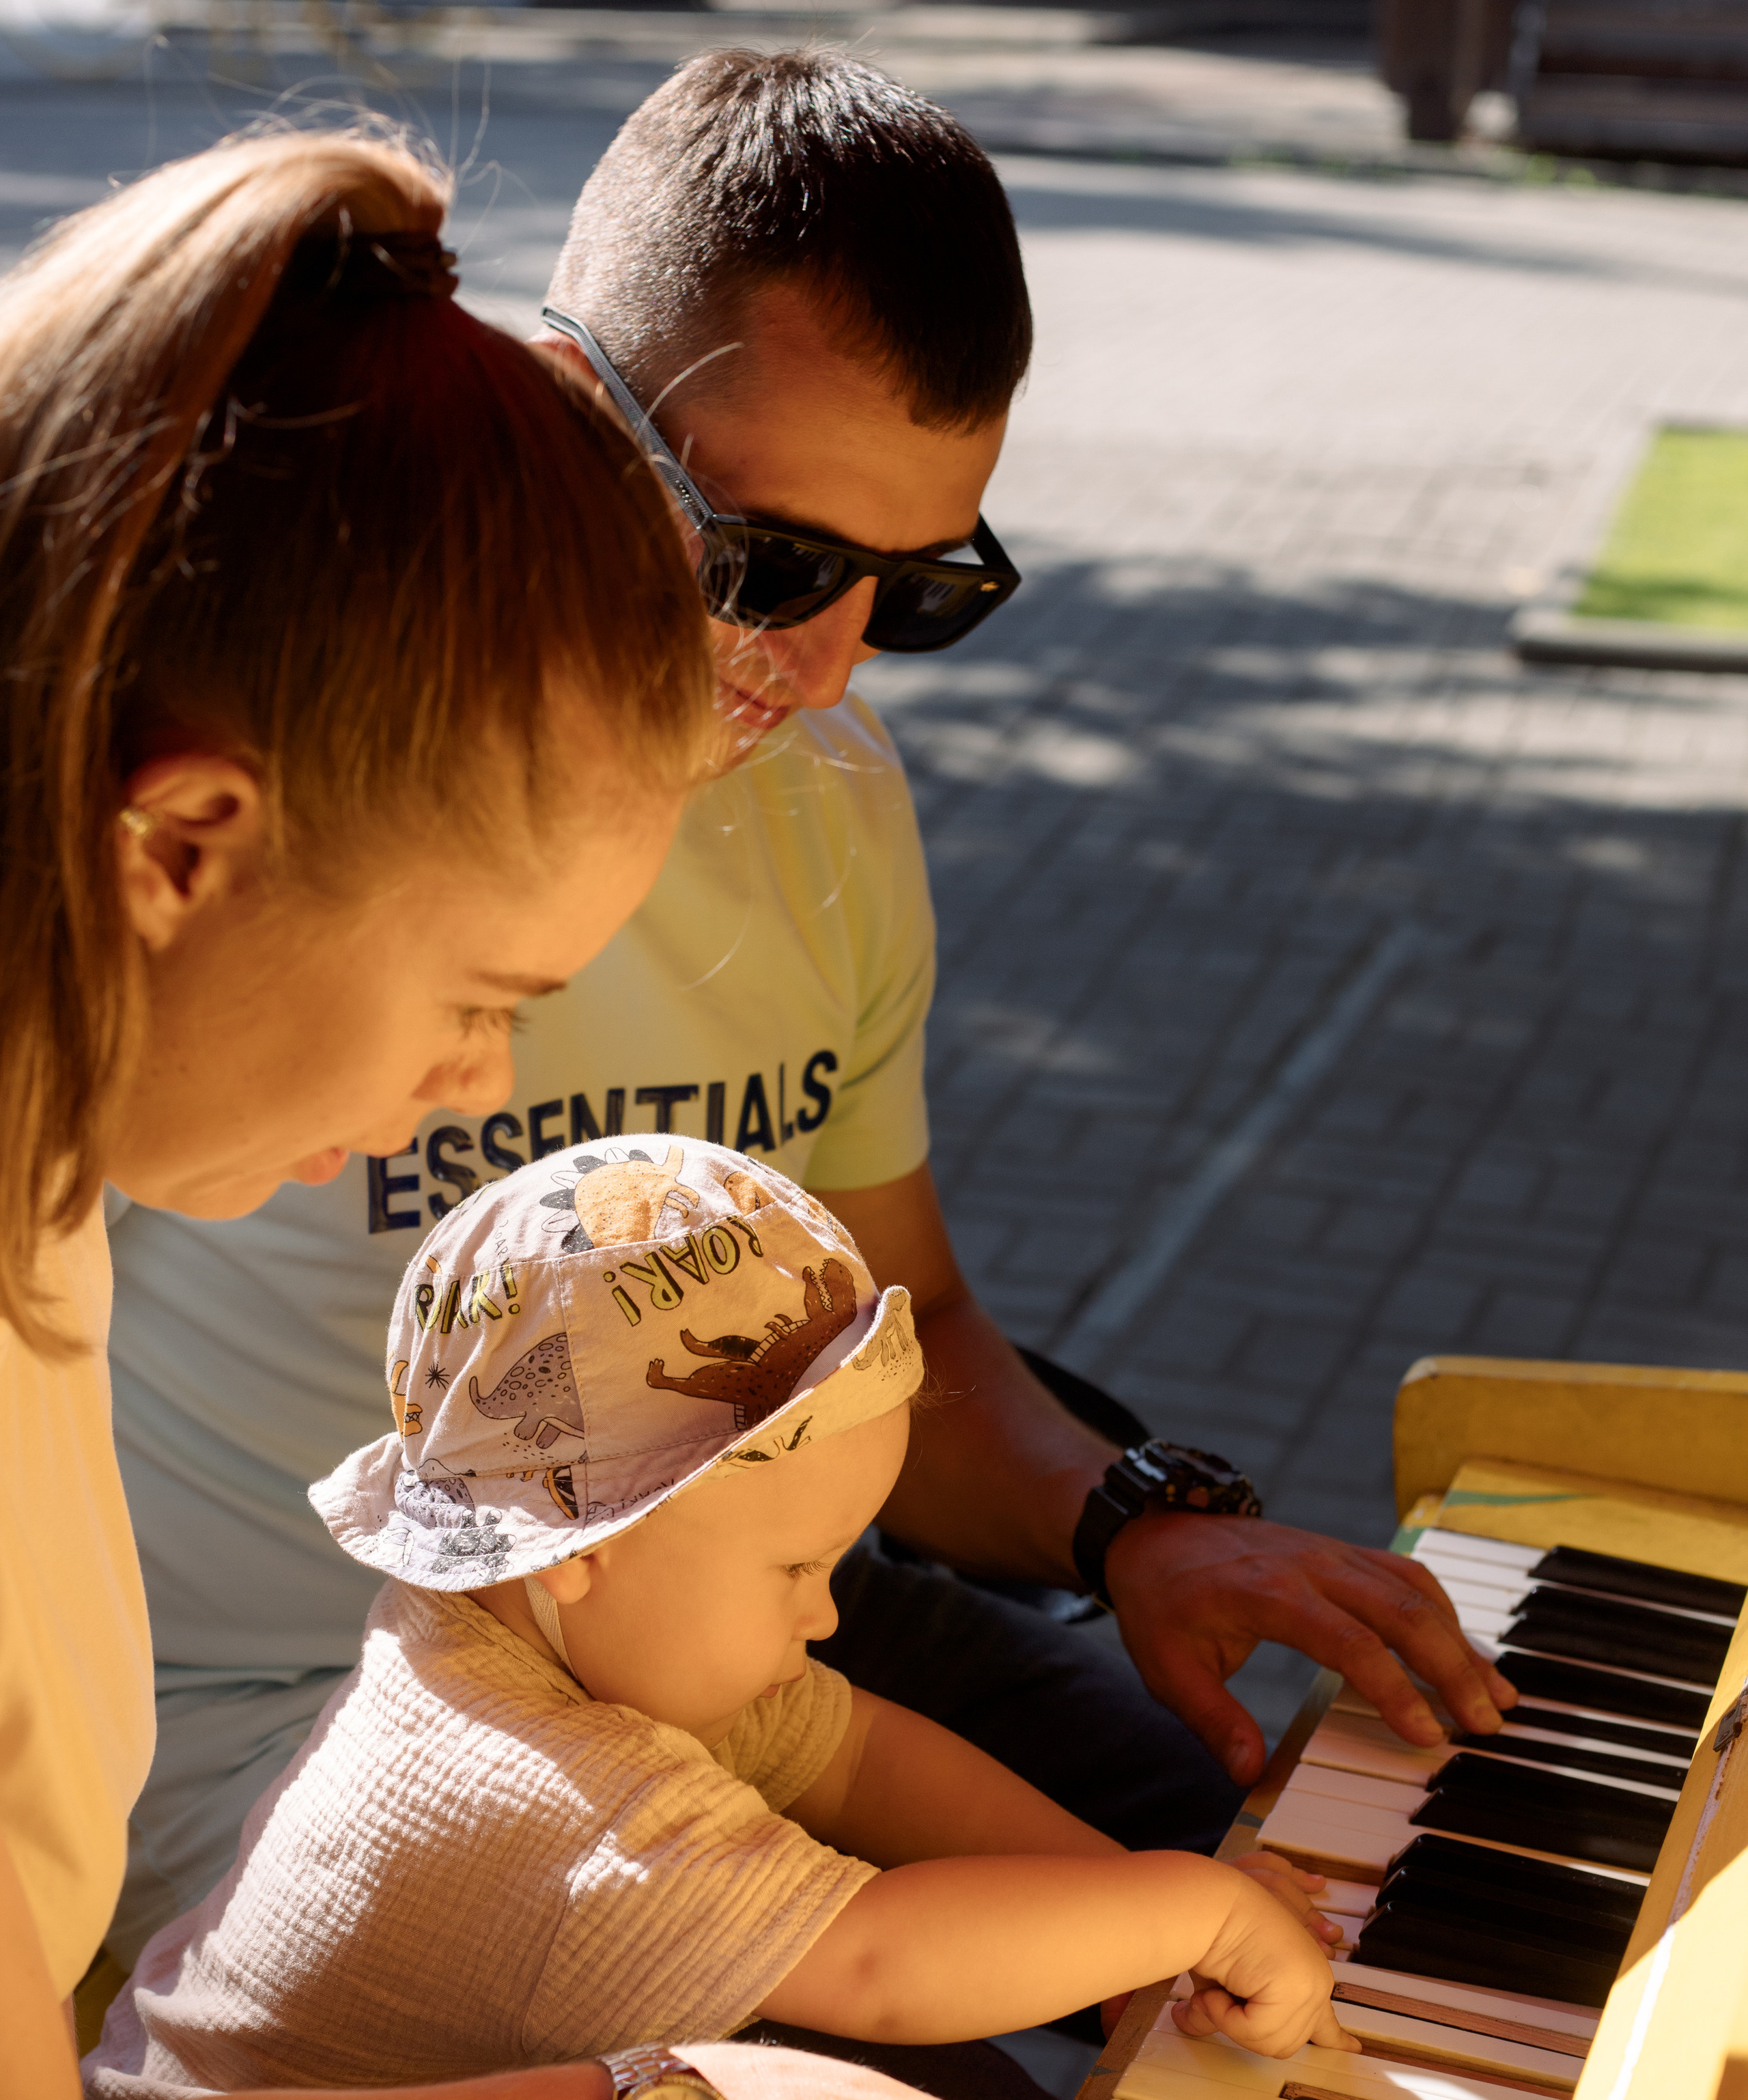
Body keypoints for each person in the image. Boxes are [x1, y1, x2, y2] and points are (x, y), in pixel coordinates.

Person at [0, 126, 1322, 2100]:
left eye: (902, 594)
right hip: (426, 1748)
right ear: (184, 847)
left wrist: (1144, 1524)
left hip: (649, 1604)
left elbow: (902, 1374)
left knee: (1222, 1849)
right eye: (480, 1000)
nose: (478, 1098)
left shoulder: (58, 1180)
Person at [105, 48, 1514, 1989]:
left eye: (918, 591)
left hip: (755, 1636)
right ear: (561, 392)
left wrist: (1133, 1525)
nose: (828, 664)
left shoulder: (826, 795)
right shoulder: (300, 806)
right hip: (313, 1719)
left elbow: (900, 1323)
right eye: (770, 563)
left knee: (1361, 1927)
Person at [87, 1136, 1344, 2100]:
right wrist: (1188, 1906)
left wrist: (1119, 1905)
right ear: (577, 1549)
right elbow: (878, 1961)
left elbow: (865, 1761)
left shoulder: (557, 1633)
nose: (826, 1615)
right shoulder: (534, 1786)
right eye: (795, 1568)